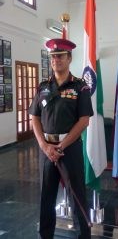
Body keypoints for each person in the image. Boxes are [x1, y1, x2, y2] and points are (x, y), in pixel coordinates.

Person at [29, 37, 93, 239]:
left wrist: (61, 146)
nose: (56, 60)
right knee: (46, 196)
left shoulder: (80, 87)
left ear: (69, 58)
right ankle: (45, 235)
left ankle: (84, 235)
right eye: (53, 56)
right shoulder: (43, 87)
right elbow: (34, 118)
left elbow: (84, 121)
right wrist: (44, 145)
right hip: (46, 149)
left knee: (77, 197)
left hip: (70, 148)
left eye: (60, 56)